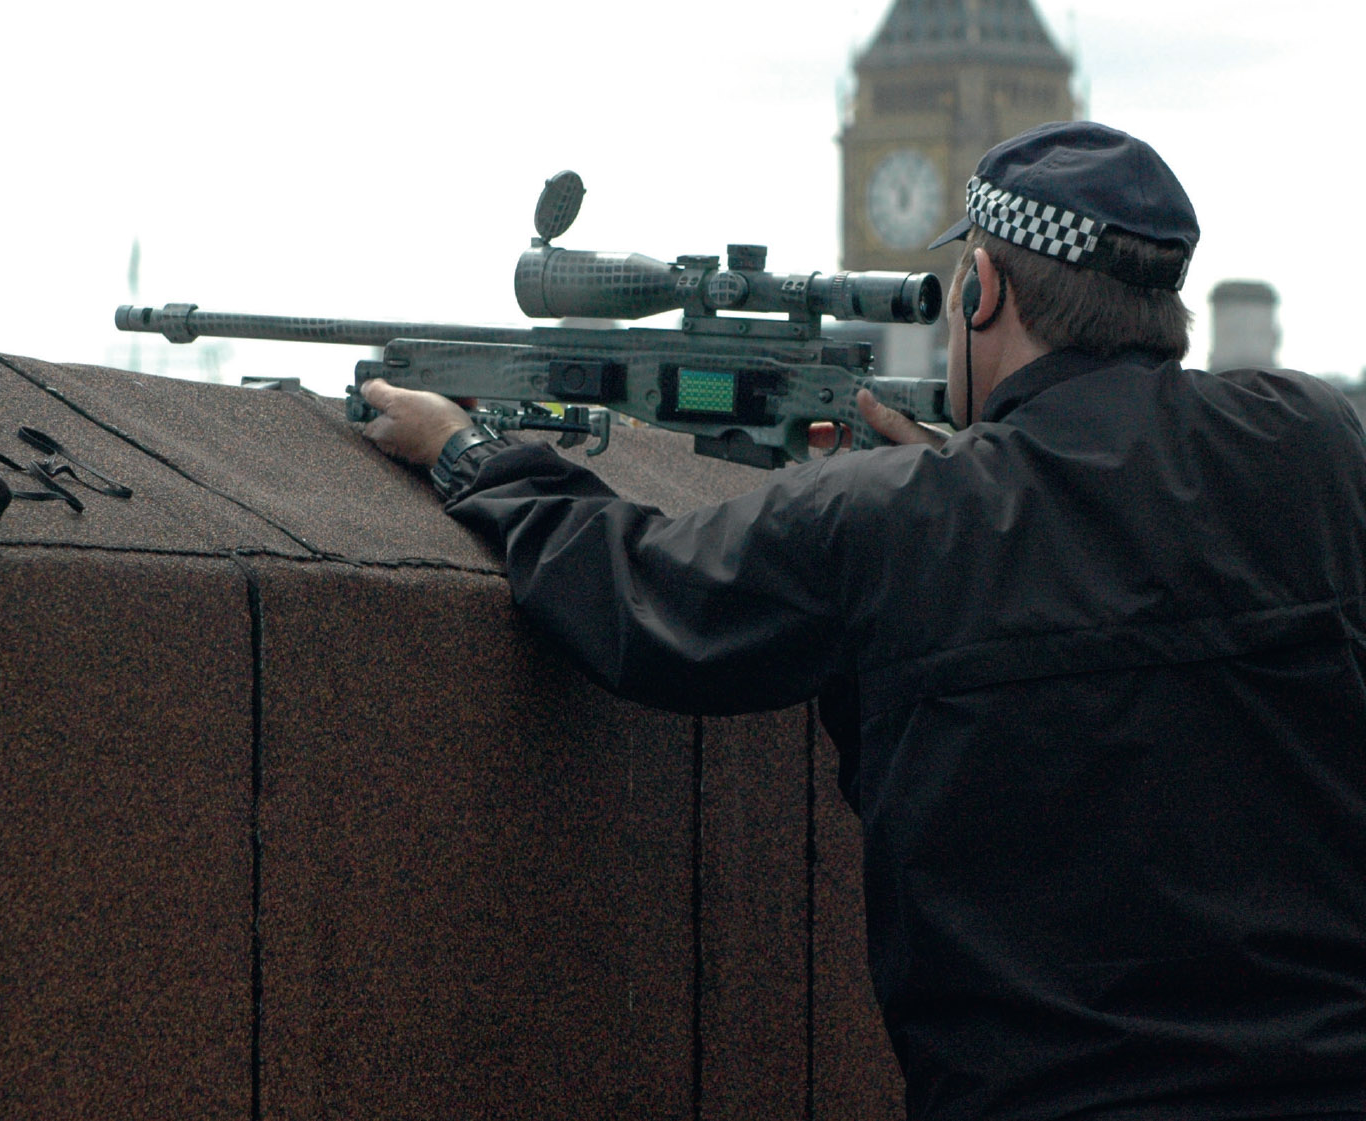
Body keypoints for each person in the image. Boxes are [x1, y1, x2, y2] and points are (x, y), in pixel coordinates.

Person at [359, 121, 1366, 1120]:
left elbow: (642, 599)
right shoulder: (1318, 445)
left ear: (982, 289)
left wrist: (467, 455)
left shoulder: (894, 516)